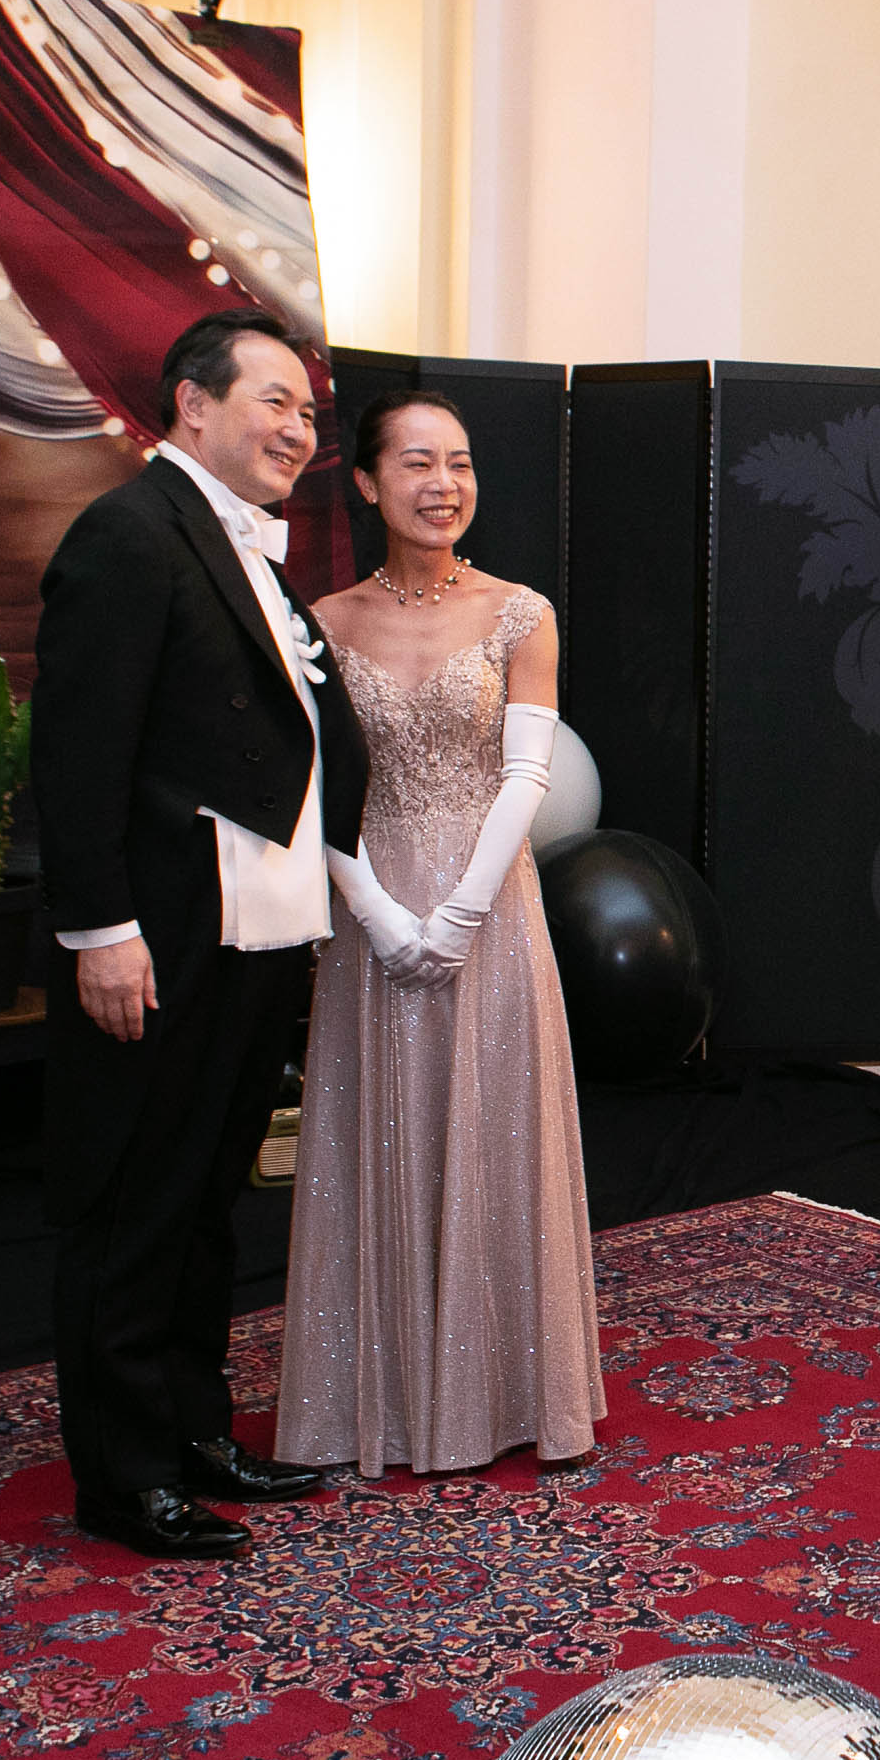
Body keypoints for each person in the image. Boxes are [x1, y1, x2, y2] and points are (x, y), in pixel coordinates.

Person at [36, 311, 364, 1559]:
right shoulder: (128, 534)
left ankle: (192, 1433)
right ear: (192, 402)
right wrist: (101, 931)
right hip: (160, 934)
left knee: (206, 1199)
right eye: (275, 401)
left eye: (309, 413)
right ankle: (124, 1479)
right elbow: (78, 755)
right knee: (132, 1205)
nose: (299, 430)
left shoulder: (249, 548)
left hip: (256, 928)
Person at [272, 390, 602, 1477]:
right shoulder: (321, 621)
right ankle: (379, 1399)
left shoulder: (520, 612)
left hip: (490, 904)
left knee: (493, 1133)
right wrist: (373, 909)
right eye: (417, 463)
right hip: (368, 903)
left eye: (458, 462)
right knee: (380, 1132)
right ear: (368, 483)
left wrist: (460, 911)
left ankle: (504, 1394)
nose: (443, 484)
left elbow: (528, 773)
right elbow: (312, 785)